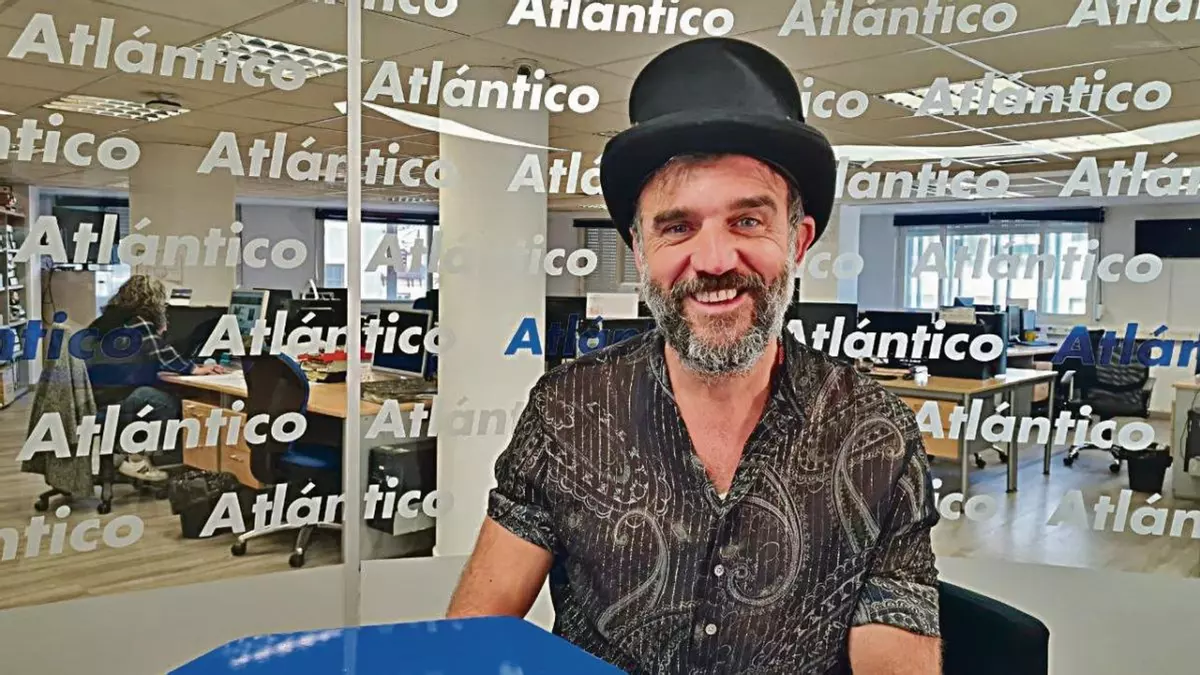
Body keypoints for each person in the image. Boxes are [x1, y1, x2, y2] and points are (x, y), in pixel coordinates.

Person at [446, 38, 942, 674]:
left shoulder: (874, 432)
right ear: (639, 249)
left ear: (799, 241)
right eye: (677, 227)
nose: (712, 261)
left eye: (748, 221)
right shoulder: (569, 410)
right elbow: (475, 639)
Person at [85, 275, 224, 482]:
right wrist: (195, 369)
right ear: (152, 302)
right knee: (166, 403)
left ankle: (125, 452)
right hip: (114, 399)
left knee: (154, 394)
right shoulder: (137, 323)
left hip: (96, 395)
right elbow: (162, 355)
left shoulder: (106, 320)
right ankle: (135, 458)